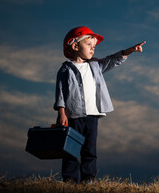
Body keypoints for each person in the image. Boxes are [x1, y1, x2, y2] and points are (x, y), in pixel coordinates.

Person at [53, 26, 145, 183]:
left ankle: (88, 179)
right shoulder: (66, 69)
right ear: (75, 46)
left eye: (94, 46)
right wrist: (61, 113)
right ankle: (70, 180)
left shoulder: (96, 65)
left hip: (92, 116)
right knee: (71, 149)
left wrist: (130, 50)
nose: (93, 49)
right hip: (74, 116)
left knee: (90, 149)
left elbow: (112, 60)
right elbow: (60, 92)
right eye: (89, 45)